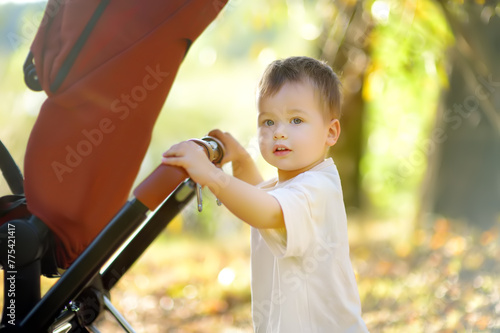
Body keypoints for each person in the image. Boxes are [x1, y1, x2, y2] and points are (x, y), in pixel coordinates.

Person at [162, 56, 368, 332]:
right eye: (268, 122)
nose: (279, 133)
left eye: (296, 120)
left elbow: (268, 212)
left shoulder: (319, 188)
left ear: (330, 132)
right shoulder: (289, 187)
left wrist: (210, 175)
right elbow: (262, 200)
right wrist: (243, 161)